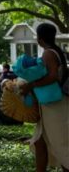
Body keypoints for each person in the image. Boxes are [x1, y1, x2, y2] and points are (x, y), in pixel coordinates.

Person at [20, 23, 69, 171]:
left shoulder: (48, 53)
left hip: (55, 106)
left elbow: (53, 76)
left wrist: (32, 85)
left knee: (60, 145)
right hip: (49, 105)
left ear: (39, 39)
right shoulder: (56, 51)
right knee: (39, 142)